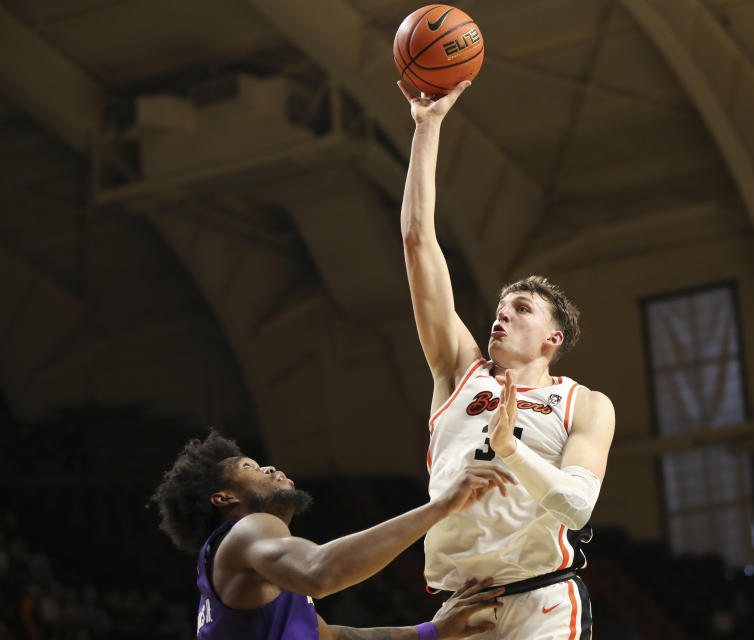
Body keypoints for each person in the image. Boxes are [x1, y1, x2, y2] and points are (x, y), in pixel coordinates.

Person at [397, 79, 617, 639]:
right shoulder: (457, 372)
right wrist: (428, 126)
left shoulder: (585, 404)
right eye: (498, 307)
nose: (501, 315)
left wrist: (510, 449)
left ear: (555, 337)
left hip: (541, 598)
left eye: (520, 309)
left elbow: (576, 507)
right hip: (458, 604)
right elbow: (419, 241)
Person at [150, 430, 517, 639]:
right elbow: (320, 573)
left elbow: (335, 638)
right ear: (225, 498)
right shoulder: (248, 529)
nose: (269, 466)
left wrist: (432, 632)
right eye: (250, 467)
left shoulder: (244, 573)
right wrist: (440, 507)